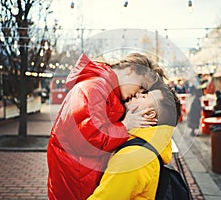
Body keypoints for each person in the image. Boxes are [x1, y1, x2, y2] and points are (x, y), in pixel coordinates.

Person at [47, 53, 167, 200]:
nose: (137, 93)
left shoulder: (107, 90)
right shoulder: (94, 88)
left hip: (82, 178)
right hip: (76, 182)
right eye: (141, 86)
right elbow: (88, 138)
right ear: (130, 70)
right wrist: (125, 126)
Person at [88, 82, 180, 200]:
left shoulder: (134, 156)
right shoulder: (146, 147)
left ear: (149, 114)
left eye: (144, 96)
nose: (137, 95)